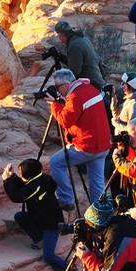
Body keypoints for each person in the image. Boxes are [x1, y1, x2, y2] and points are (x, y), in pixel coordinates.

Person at [45, 68, 111, 211]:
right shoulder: (89, 88)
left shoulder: (75, 97)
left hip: (87, 146)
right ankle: (99, 212)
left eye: (57, 87)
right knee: (97, 182)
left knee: (56, 162)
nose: (57, 91)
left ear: (65, 85)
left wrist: (54, 104)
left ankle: (66, 200)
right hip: (103, 144)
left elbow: (65, 121)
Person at [2, 158, 66, 271]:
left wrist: (7, 180)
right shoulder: (40, 178)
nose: (20, 174)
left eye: (21, 172)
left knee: (48, 256)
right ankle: (40, 240)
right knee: (20, 216)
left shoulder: (38, 186)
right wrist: (12, 177)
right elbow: (26, 186)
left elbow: (17, 196)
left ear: (29, 174)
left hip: (51, 225)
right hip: (39, 218)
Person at [53, 19, 105, 89]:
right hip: (96, 81)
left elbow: (74, 72)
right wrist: (61, 57)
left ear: (61, 35)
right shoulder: (83, 39)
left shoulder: (74, 46)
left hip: (89, 85)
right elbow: (79, 62)